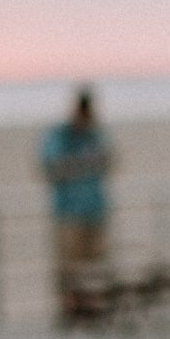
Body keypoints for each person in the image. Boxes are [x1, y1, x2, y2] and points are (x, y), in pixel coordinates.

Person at [38, 88, 115, 321]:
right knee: (69, 263)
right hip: (69, 211)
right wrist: (83, 164)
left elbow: (108, 160)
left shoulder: (96, 135)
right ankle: (71, 308)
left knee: (95, 262)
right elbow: (51, 167)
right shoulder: (59, 136)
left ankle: (92, 306)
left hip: (95, 208)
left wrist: (83, 164)